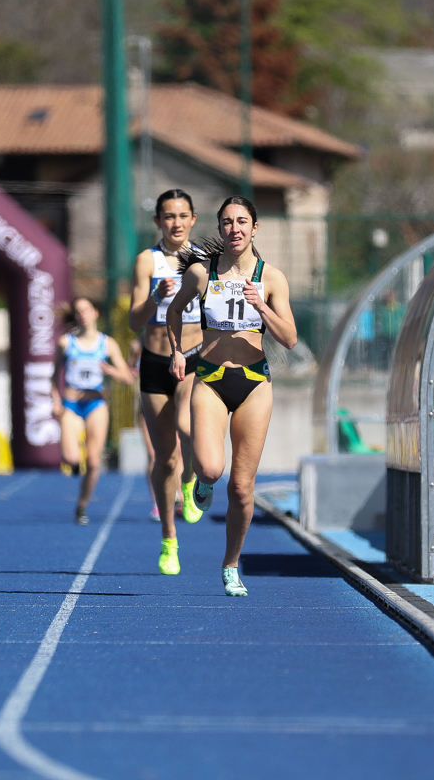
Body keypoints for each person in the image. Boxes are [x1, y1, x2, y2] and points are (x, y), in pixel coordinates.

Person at [167, 196, 297, 596]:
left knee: (241, 488)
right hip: (210, 379)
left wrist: (262, 307)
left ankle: (230, 565)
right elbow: (174, 311)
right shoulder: (201, 274)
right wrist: (177, 350)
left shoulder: (271, 277)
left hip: (254, 383)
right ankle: (202, 483)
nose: (234, 229)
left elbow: (290, 338)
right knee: (209, 470)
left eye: (242, 222)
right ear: (220, 228)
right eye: (227, 222)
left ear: (254, 228)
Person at [129, 189, 204, 575]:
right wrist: (154, 298)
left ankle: (189, 482)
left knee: (187, 428)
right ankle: (169, 538)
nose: (176, 223)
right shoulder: (148, 260)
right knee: (164, 458)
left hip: (192, 359)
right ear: (158, 221)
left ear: (193, 219)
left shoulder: (205, 260)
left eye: (183, 215)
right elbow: (134, 321)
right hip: (155, 362)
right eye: (169, 216)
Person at [52, 297, 135, 525]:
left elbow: (127, 378)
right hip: (71, 405)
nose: (83, 315)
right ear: (75, 316)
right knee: (70, 457)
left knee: (93, 462)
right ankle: (74, 463)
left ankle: (82, 506)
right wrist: (56, 400)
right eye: (78, 311)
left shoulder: (107, 344)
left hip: (96, 404)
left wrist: (110, 371)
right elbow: (54, 375)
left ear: (95, 313)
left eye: (86, 310)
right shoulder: (66, 342)